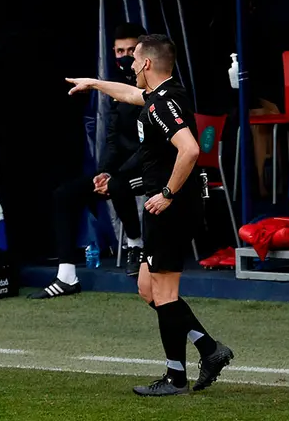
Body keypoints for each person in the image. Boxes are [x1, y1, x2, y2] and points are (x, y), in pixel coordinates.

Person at [66, 34, 234, 396]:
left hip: (171, 207)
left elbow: (189, 150)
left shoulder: (163, 104)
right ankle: (209, 349)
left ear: (146, 63)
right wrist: (94, 84)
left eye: (133, 60)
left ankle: (175, 377)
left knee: (165, 292)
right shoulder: (163, 95)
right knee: (148, 289)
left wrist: (168, 193)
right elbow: (130, 94)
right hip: (168, 205)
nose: (129, 66)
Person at [28, 22, 147, 299]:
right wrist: (103, 172)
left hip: (154, 170)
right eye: (119, 51)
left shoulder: (153, 89)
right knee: (64, 194)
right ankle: (66, 276)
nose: (125, 57)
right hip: (122, 171)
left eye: (131, 50)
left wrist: (116, 176)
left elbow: (151, 146)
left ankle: (135, 245)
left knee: (118, 185)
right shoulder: (119, 91)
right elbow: (113, 139)